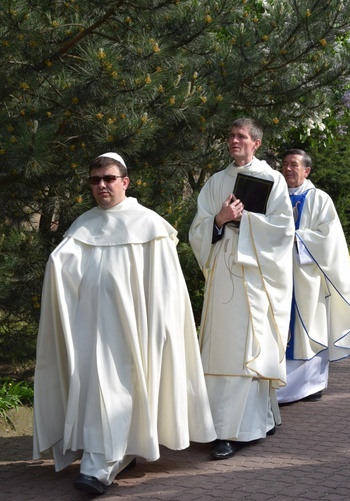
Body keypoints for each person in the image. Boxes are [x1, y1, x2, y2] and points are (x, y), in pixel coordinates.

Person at [33, 153, 216, 495]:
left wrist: (160, 331)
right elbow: (63, 269)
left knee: (121, 389)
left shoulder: (148, 224)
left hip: (135, 329)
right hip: (89, 327)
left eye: (109, 178)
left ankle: (100, 466)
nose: (101, 185)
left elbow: (165, 288)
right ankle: (110, 454)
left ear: (125, 182)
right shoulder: (83, 224)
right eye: (95, 180)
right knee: (93, 388)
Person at [189, 118, 294, 460]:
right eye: (231, 136)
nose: (234, 141)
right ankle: (225, 423)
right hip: (223, 272)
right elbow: (198, 227)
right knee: (220, 348)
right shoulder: (216, 181)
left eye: (241, 137)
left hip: (254, 276)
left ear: (256, 143)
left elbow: (283, 230)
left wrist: (243, 220)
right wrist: (219, 220)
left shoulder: (271, 179)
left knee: (246, 351)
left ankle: (237, 430)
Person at [275, 149, 350, 404]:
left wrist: (296, 237)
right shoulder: (274, 197)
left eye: (294, 165)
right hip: (277, 276)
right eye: (285, 165)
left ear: (307, 170)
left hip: (308, 277)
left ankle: (311, 385)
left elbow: (329, 238)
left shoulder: (319, 199)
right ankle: (279, 386)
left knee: (310, 328)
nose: (288, 169)